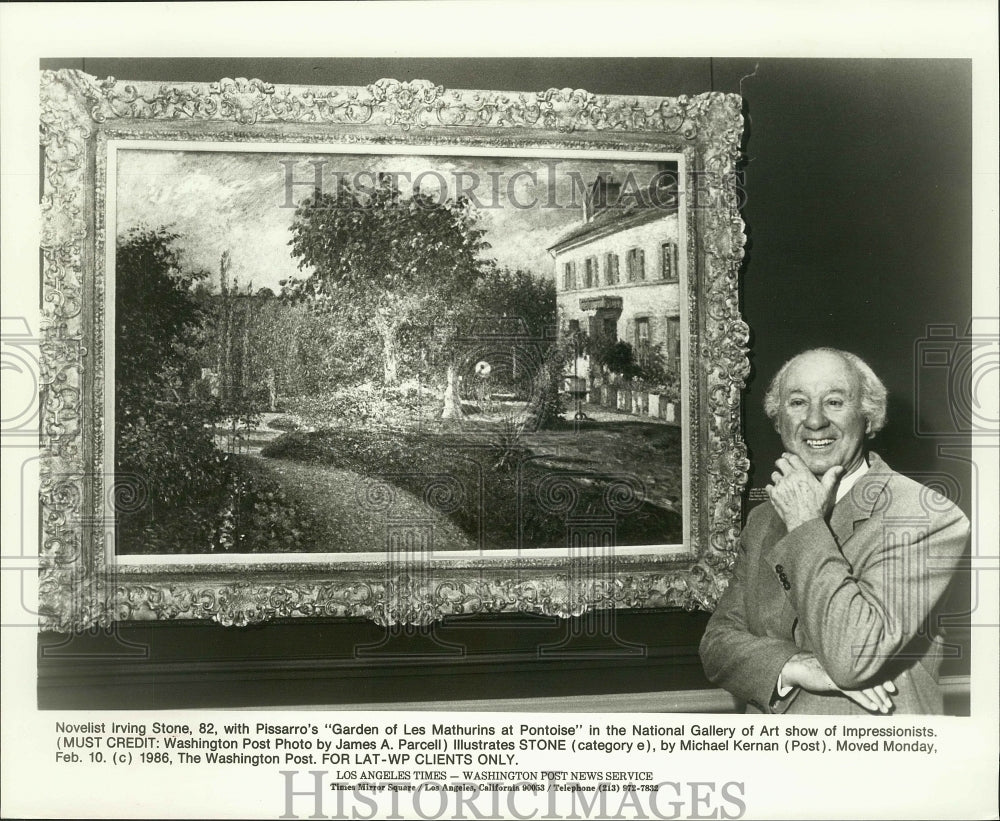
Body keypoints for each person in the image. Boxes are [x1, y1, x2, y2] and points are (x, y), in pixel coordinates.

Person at [699, 348, 969, 714]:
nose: (814, 421)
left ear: (870, 418)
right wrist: (792, 666)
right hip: (773, 764)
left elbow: (853, 658)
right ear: (779, 421)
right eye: (797, 402)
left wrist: (805, 524)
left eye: (834, 402)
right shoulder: (764, 519)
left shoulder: (925, 517)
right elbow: (716, 645)